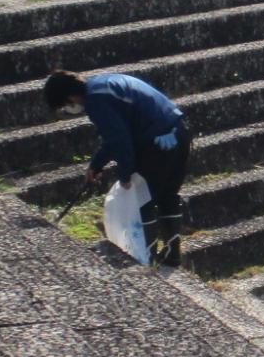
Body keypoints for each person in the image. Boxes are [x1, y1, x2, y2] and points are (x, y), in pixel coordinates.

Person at [43, 69, 191, 266]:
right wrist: (96, 165)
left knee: (141, 200)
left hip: (156, 143)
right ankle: (172, 256)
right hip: (179, 132)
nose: (68, 110)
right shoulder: (103, 84)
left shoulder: (95, 101)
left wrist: (125, 175)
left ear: (70, 98)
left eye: (64, 107)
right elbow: (116, 137)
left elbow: (120, 140)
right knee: (167, 195)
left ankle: (146, 260)